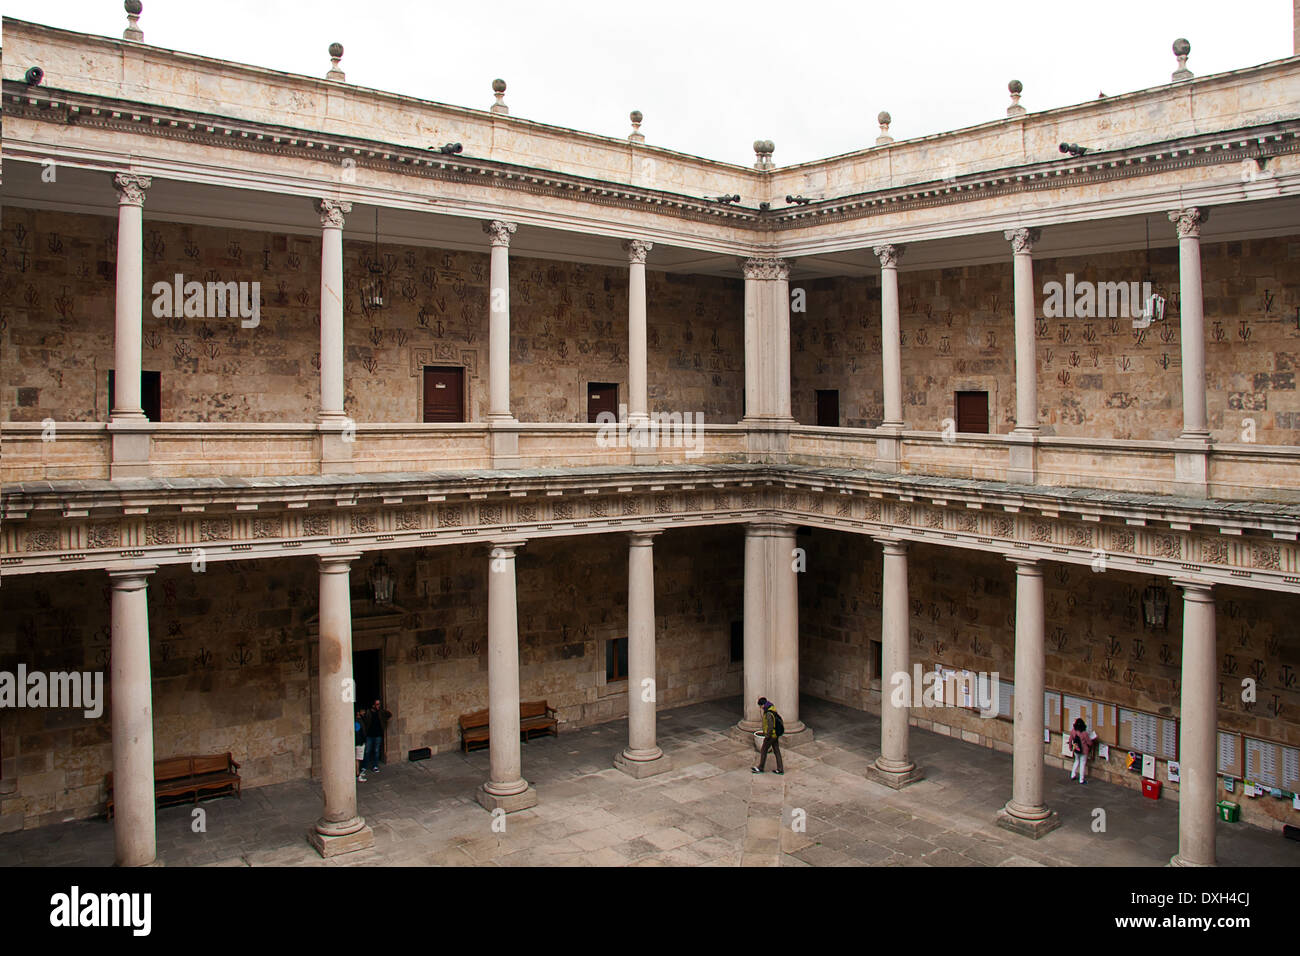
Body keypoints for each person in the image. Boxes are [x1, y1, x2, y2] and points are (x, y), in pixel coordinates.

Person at [751, 697, 784, 775]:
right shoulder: (772, 709)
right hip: (775, 734)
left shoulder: (768, 713)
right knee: (776, 751)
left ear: (762, 705)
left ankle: (760, 767)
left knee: (763, 750)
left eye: (760, 706)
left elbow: (770, 726)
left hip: (771, 735)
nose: (760, 708)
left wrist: (767, 735)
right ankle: (780, 768)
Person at [363, 699, 392, 774]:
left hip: (378, 735)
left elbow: (389, 714)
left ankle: (375, 766)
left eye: (379, 704)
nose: (378, 706)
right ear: (373, 705)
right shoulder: (369, 712)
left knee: (376, 751)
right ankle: (364, 766)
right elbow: (365, 720)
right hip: (370, 735)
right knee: (367, 751)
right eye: (377, 704)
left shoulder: (380, 712)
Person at [1068, 717, 1092, 784]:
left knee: (1076, 761)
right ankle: (1081, 780)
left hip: (1076, 749)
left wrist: (1070, 748)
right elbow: (1089, 742)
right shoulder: (1084, 733)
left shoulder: (1073, 731)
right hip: (1084, 751)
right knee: (1082, 764)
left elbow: (1070, 740)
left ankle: (1073, 775)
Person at [355, 708, 368, 783]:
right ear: (358, 712)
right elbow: (360, 732)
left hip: (359, 742)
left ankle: (357, 773)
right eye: (362, 711)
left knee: (357, 759)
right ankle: (357, 774)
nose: (364, 712)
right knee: (357, 759)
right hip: (359, 743)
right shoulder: (358, 721)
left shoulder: (360, 720)